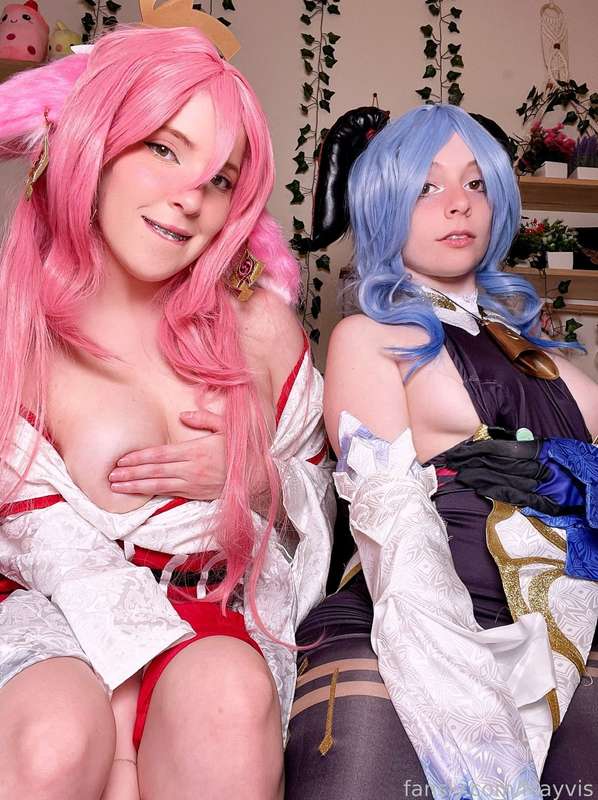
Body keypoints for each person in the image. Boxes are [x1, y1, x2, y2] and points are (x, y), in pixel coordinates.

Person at [0, 23, 335, 800]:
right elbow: (30, 533)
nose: (191, 197)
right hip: (45, 610)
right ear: (93, 145)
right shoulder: (17, 330)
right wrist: (124, 695)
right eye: (163, 148)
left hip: (215, 607)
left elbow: (324, 487)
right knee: (54, 735)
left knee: (229, 699)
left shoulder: (260, 325)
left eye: (221, 179)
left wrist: (256, 479)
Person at [284, 104, 598, 800]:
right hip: (410, 623)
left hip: (556, 627)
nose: (458, 203)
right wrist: (470, 707)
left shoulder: (543, 356)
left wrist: (574, 476)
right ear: (384, 205)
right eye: (427, 186)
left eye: (476, 183)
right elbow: (393, 524)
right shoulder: (370, 337)